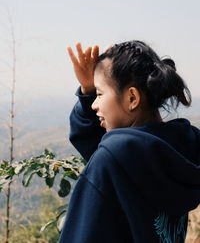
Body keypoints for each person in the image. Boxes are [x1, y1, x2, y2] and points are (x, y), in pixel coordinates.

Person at [59, 40, 200, 243]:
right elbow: (101, 146)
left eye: (98, 94)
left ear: (132, 98)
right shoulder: (183, 146)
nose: (94, 105)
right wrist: (88, 89)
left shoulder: (111, 160)